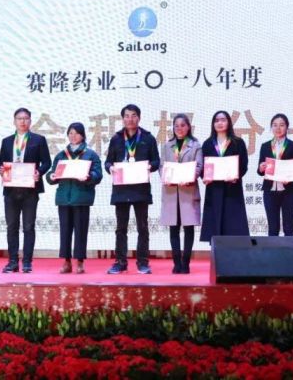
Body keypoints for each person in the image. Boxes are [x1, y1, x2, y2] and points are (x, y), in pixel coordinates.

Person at [104, 104, 160, 275]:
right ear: (122, 119)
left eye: (133, 115)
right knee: (121, 228)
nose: (130, 119)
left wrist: (150, 166)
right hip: (121, 190)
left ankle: (143, 262)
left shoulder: (148, 138)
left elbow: (156, 161)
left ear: (139, 118)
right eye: (127, 116)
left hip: (140, 189)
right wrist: (110, 168)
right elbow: (108, 161)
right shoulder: (116, 139)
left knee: (142, 227)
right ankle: (120, 262)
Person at [0, 108, 52, 274]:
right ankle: (13, 261)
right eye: (19, 118)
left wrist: (39, 172)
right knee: (11, 226)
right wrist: (1, 169)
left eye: (26, 118)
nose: (22, 121)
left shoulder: (38, 140)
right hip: (11, 190)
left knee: (28, 227)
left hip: (30, 190)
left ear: (30, 121)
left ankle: (27, 262)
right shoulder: (7, 141)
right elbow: (0, 163)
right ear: (14, 121)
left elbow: (47, 162)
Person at [45, 122, 103, 274]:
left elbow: (98, 175)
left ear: (82, 135)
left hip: (82, 197)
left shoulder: (90, 154)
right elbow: (51, 174)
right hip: (64, 198)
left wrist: (89, 176)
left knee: (81, 231)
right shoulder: (61, 155)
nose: (73, 136)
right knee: (65, 231)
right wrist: (51, 176)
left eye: (76, 133)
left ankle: (80, 262)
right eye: (70, 133)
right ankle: (66, 261)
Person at [160, 113, 203, 274]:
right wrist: (165, 177)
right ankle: (176, 262)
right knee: (174, 228)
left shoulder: (195, 145)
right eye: (176, 125)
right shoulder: (167, 146)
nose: (179, 128)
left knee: (189, 228)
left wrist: (190, 177)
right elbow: (162, 166)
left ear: (188, 127)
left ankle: (186, 263)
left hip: (188, 190)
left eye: (183, 125)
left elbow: (199, 166)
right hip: (171, 191)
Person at [199, 110, 250, 242]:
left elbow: (243, 164)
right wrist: (205, 176)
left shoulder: (238, 142)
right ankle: (216, 251)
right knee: (215, 222)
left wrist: (236, 176)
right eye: (216, 121)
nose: (220, 123)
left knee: (233, 222)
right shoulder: (207, 143)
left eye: (223, 120)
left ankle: (234, 251)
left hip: (232, 188)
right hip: (214, 188)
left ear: (229, 122)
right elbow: (202, 165)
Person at [257, 113, 293, 237]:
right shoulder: (265, 146)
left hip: (289, 191)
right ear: (271, 128)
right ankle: (272, 251)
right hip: (270, 191)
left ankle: (289, 250)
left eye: (282, 125)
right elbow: (260, 170)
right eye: (275, 125)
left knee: (288, 227)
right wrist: (261, 168)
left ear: (287, 127)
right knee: (273, 227)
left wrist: (290, 177)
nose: (278, 128)